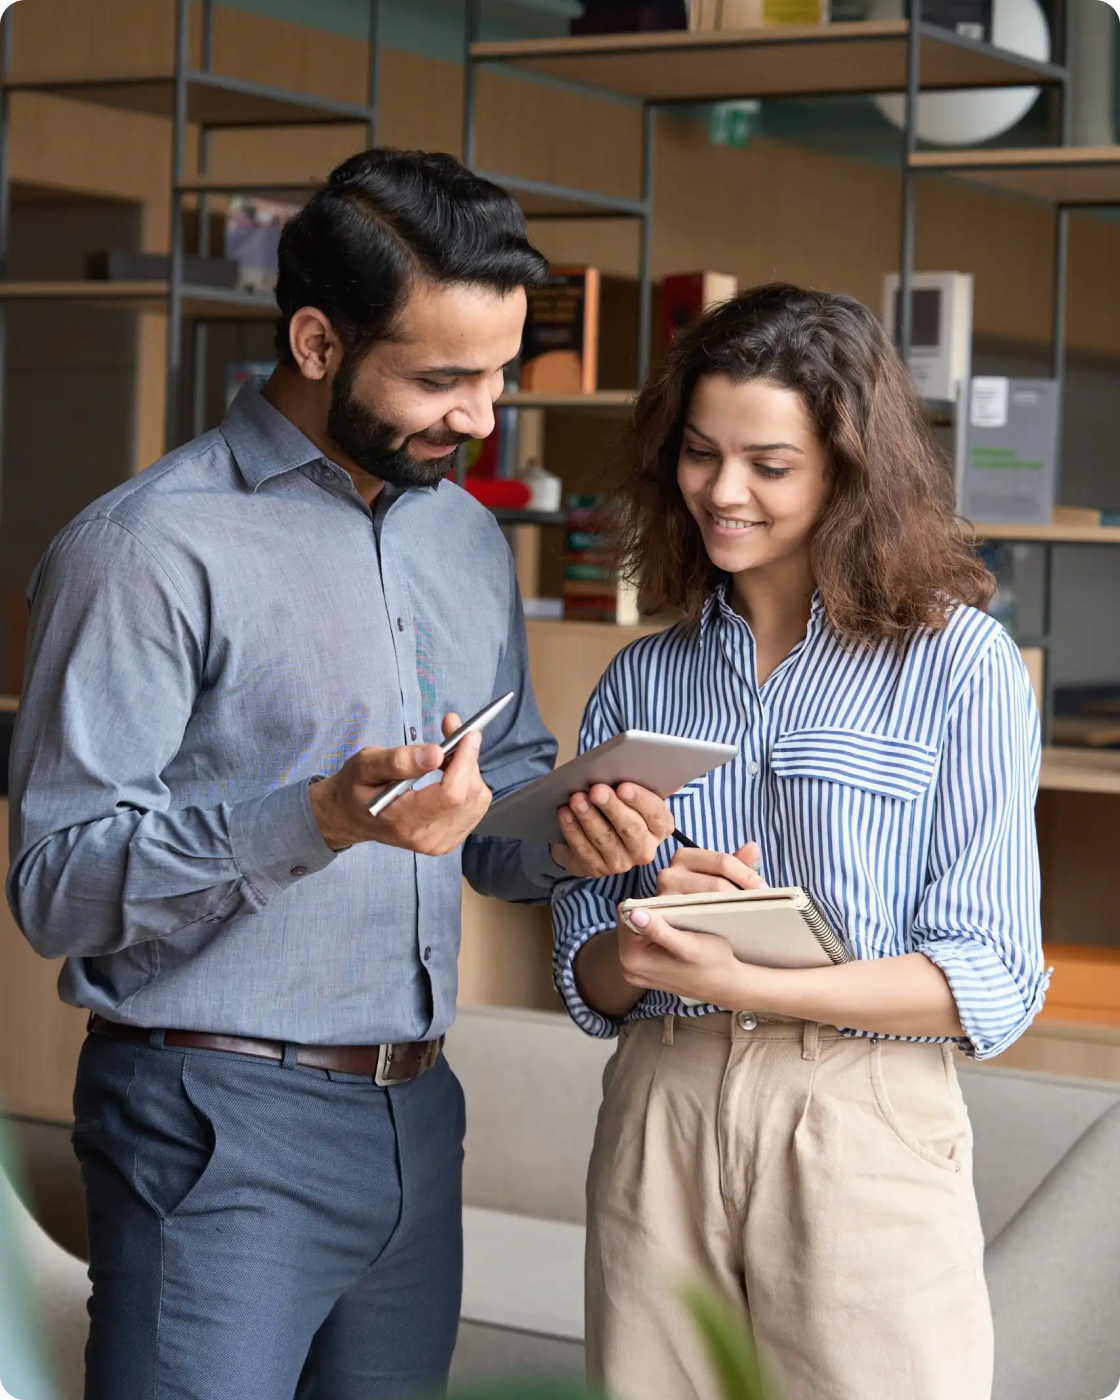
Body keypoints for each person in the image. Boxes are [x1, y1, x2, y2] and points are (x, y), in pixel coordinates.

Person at [5, 147, 673, 1400]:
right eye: (440, 378)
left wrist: (575, 828)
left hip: (418, 1116)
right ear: (316, 340)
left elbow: (494, 810)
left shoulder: (465, 537)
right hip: (211, 1117)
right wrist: (312, 815)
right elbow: (54, 882)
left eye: (497, 374)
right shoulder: (146, 549)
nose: (480, 416)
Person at [554, 283, 1045, 1400]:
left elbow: (991, 979)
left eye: (768, 465)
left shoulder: (957, 665)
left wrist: (746, 973)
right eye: (698, 453)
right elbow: (585, 969)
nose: (722, 492)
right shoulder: (644, 676)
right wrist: (634, 942)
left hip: (857, 1111)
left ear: (847, 468)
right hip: (660, 1107)